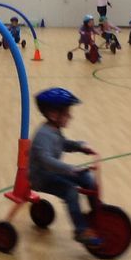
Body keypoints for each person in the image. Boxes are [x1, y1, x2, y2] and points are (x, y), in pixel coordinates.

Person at [28, 87, 102, 246]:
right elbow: (46, 160)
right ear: (53, 114)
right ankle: (81, 230)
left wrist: (80, 147)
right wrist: (69, 168)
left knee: (85, 177)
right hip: (41, 177)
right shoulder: (43, 135)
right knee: (70, 192)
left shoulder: (54, 129)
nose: (70, 116)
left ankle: (98, 212)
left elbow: (63, 144)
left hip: (52, 172)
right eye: (67, 112)